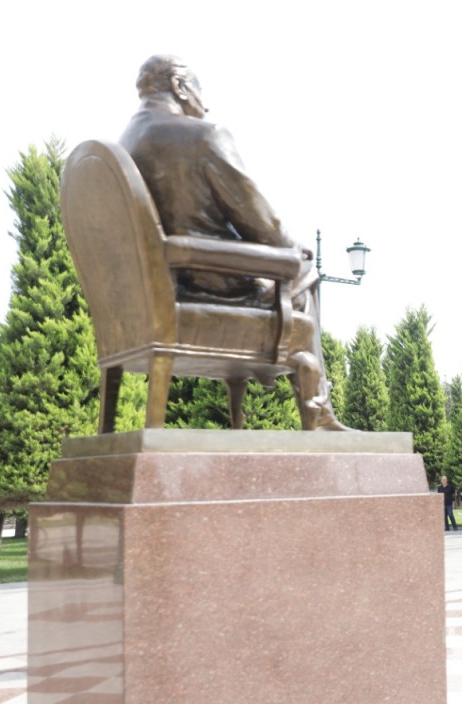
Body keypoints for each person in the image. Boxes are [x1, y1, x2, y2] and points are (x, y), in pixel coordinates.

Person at [118, 55, 346, 431]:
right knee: (304, 272)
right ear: (179, 86)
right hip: (212, 286)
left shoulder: (121, 148)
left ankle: (263, 415)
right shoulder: (202, 135)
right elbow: (263, 225)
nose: (204, 104)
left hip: (146, 301)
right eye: (199, 91)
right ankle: (318, 412)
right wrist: (293, 250)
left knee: (292, 269)